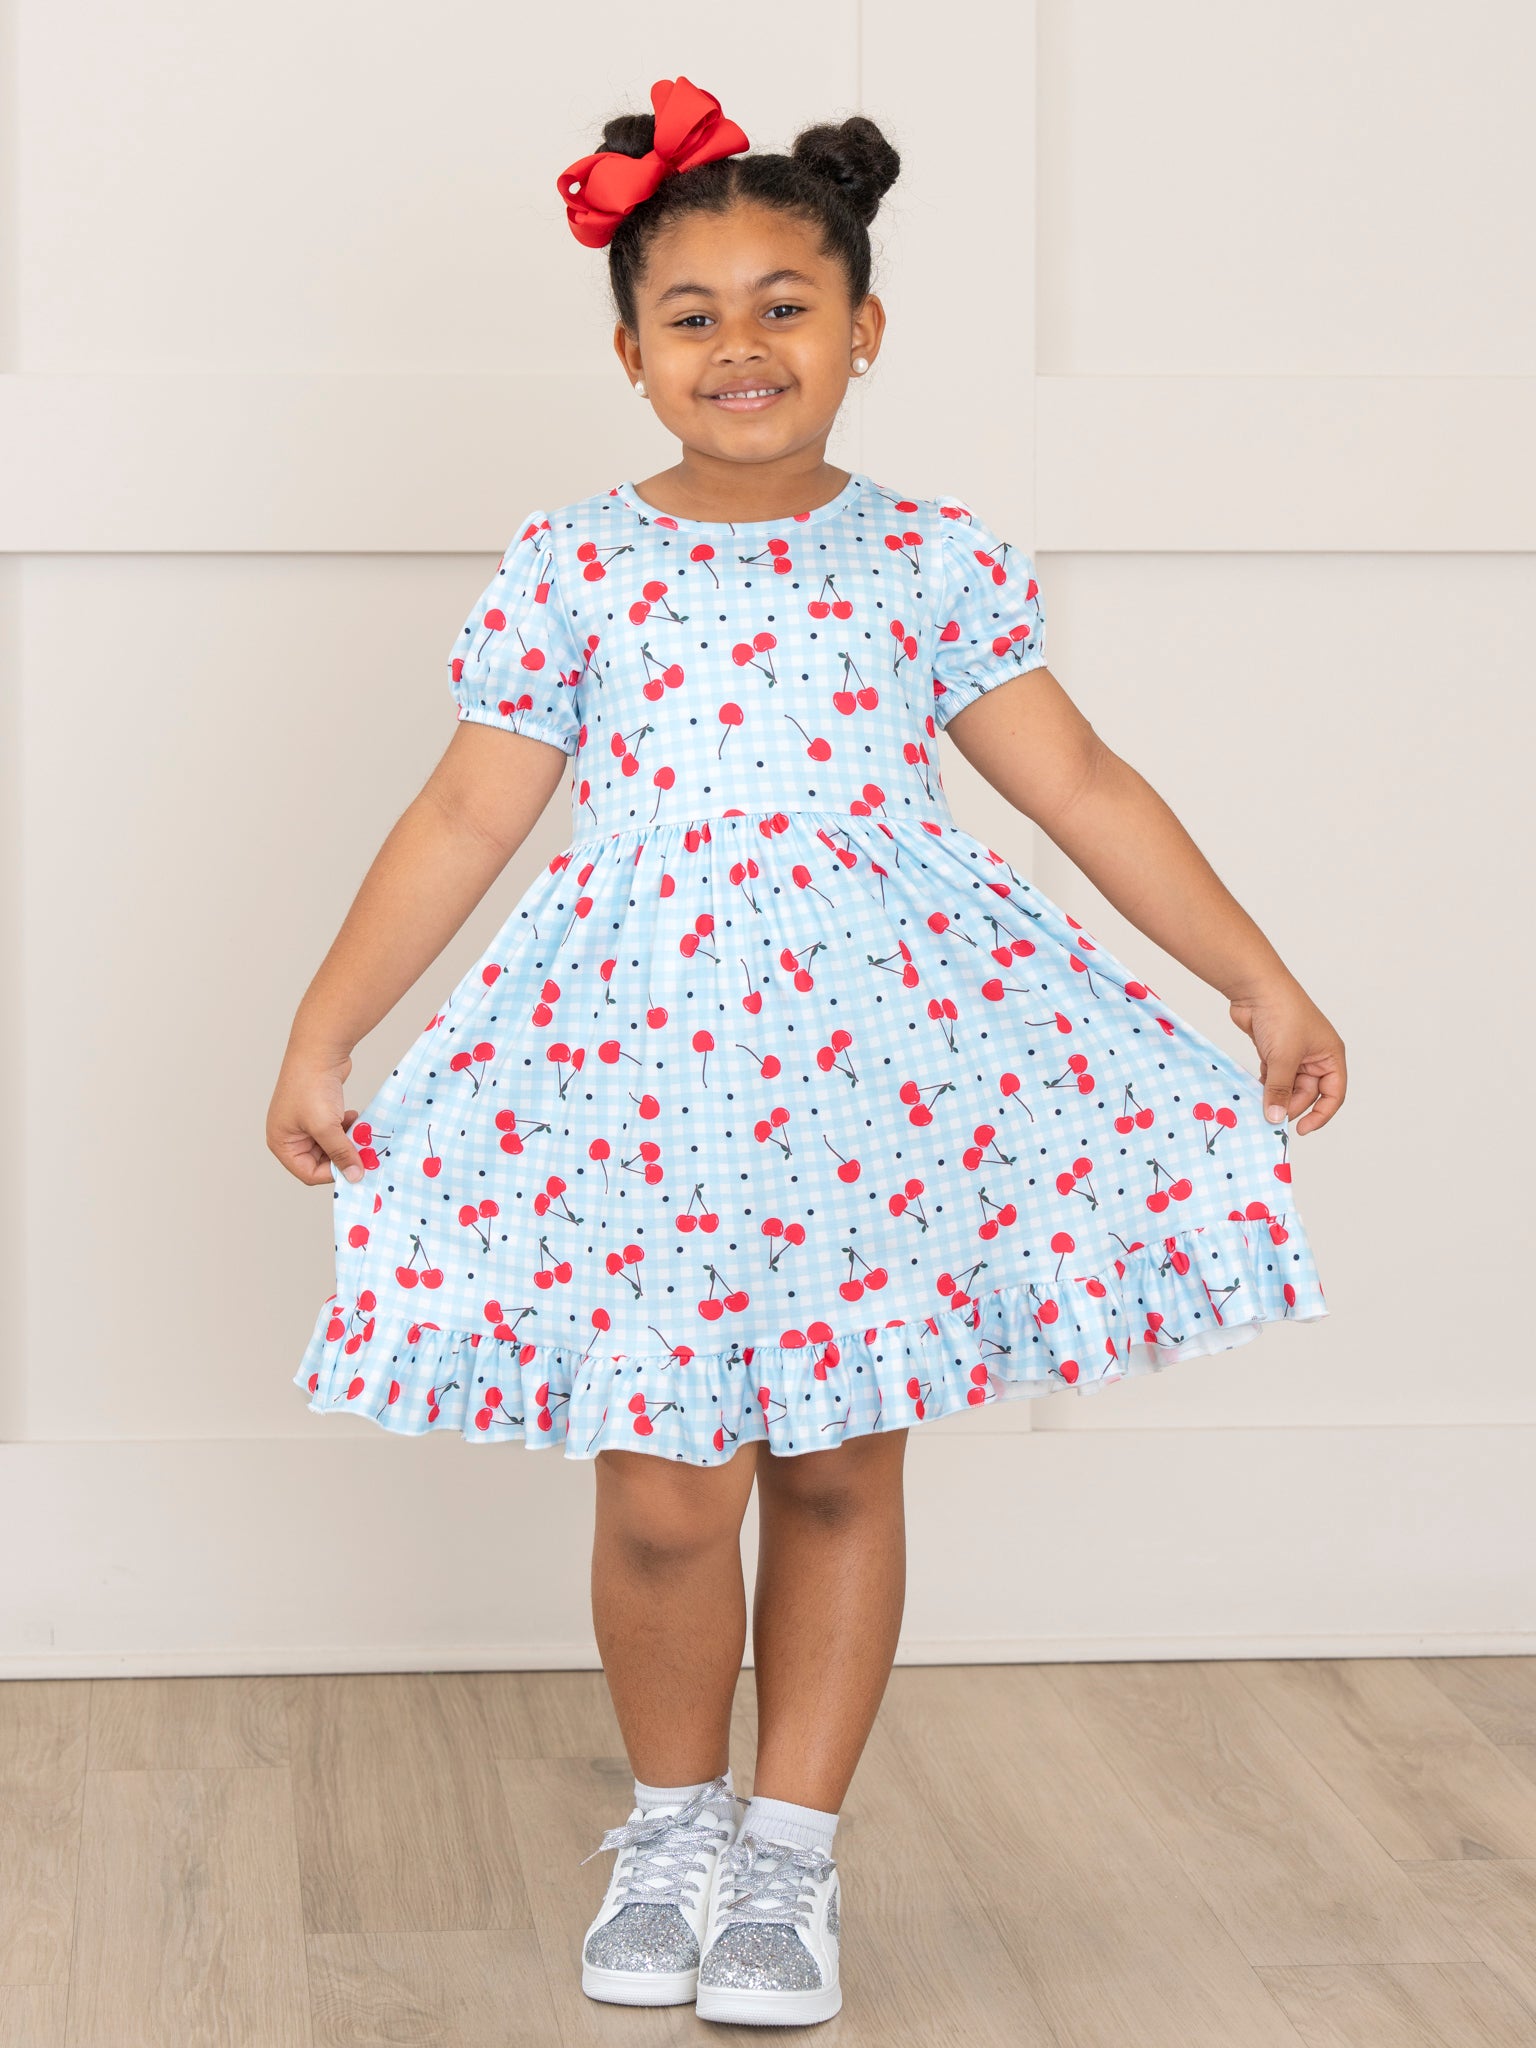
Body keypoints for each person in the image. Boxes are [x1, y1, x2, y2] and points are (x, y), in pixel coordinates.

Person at [266, 74, 1344, 2031]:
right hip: (639, 1079)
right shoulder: (576, 562)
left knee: (841, 1467)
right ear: (630, 355)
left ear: (865, 330)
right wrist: (329, 1027)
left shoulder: (928, 559)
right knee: (668, 1488)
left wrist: (1254, 976)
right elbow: (465, 814)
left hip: (877, 1077)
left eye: (787, 304)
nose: (741, 343)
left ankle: (788, 1857)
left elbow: (1081, 787)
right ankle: (672, 1828)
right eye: (691, 314)